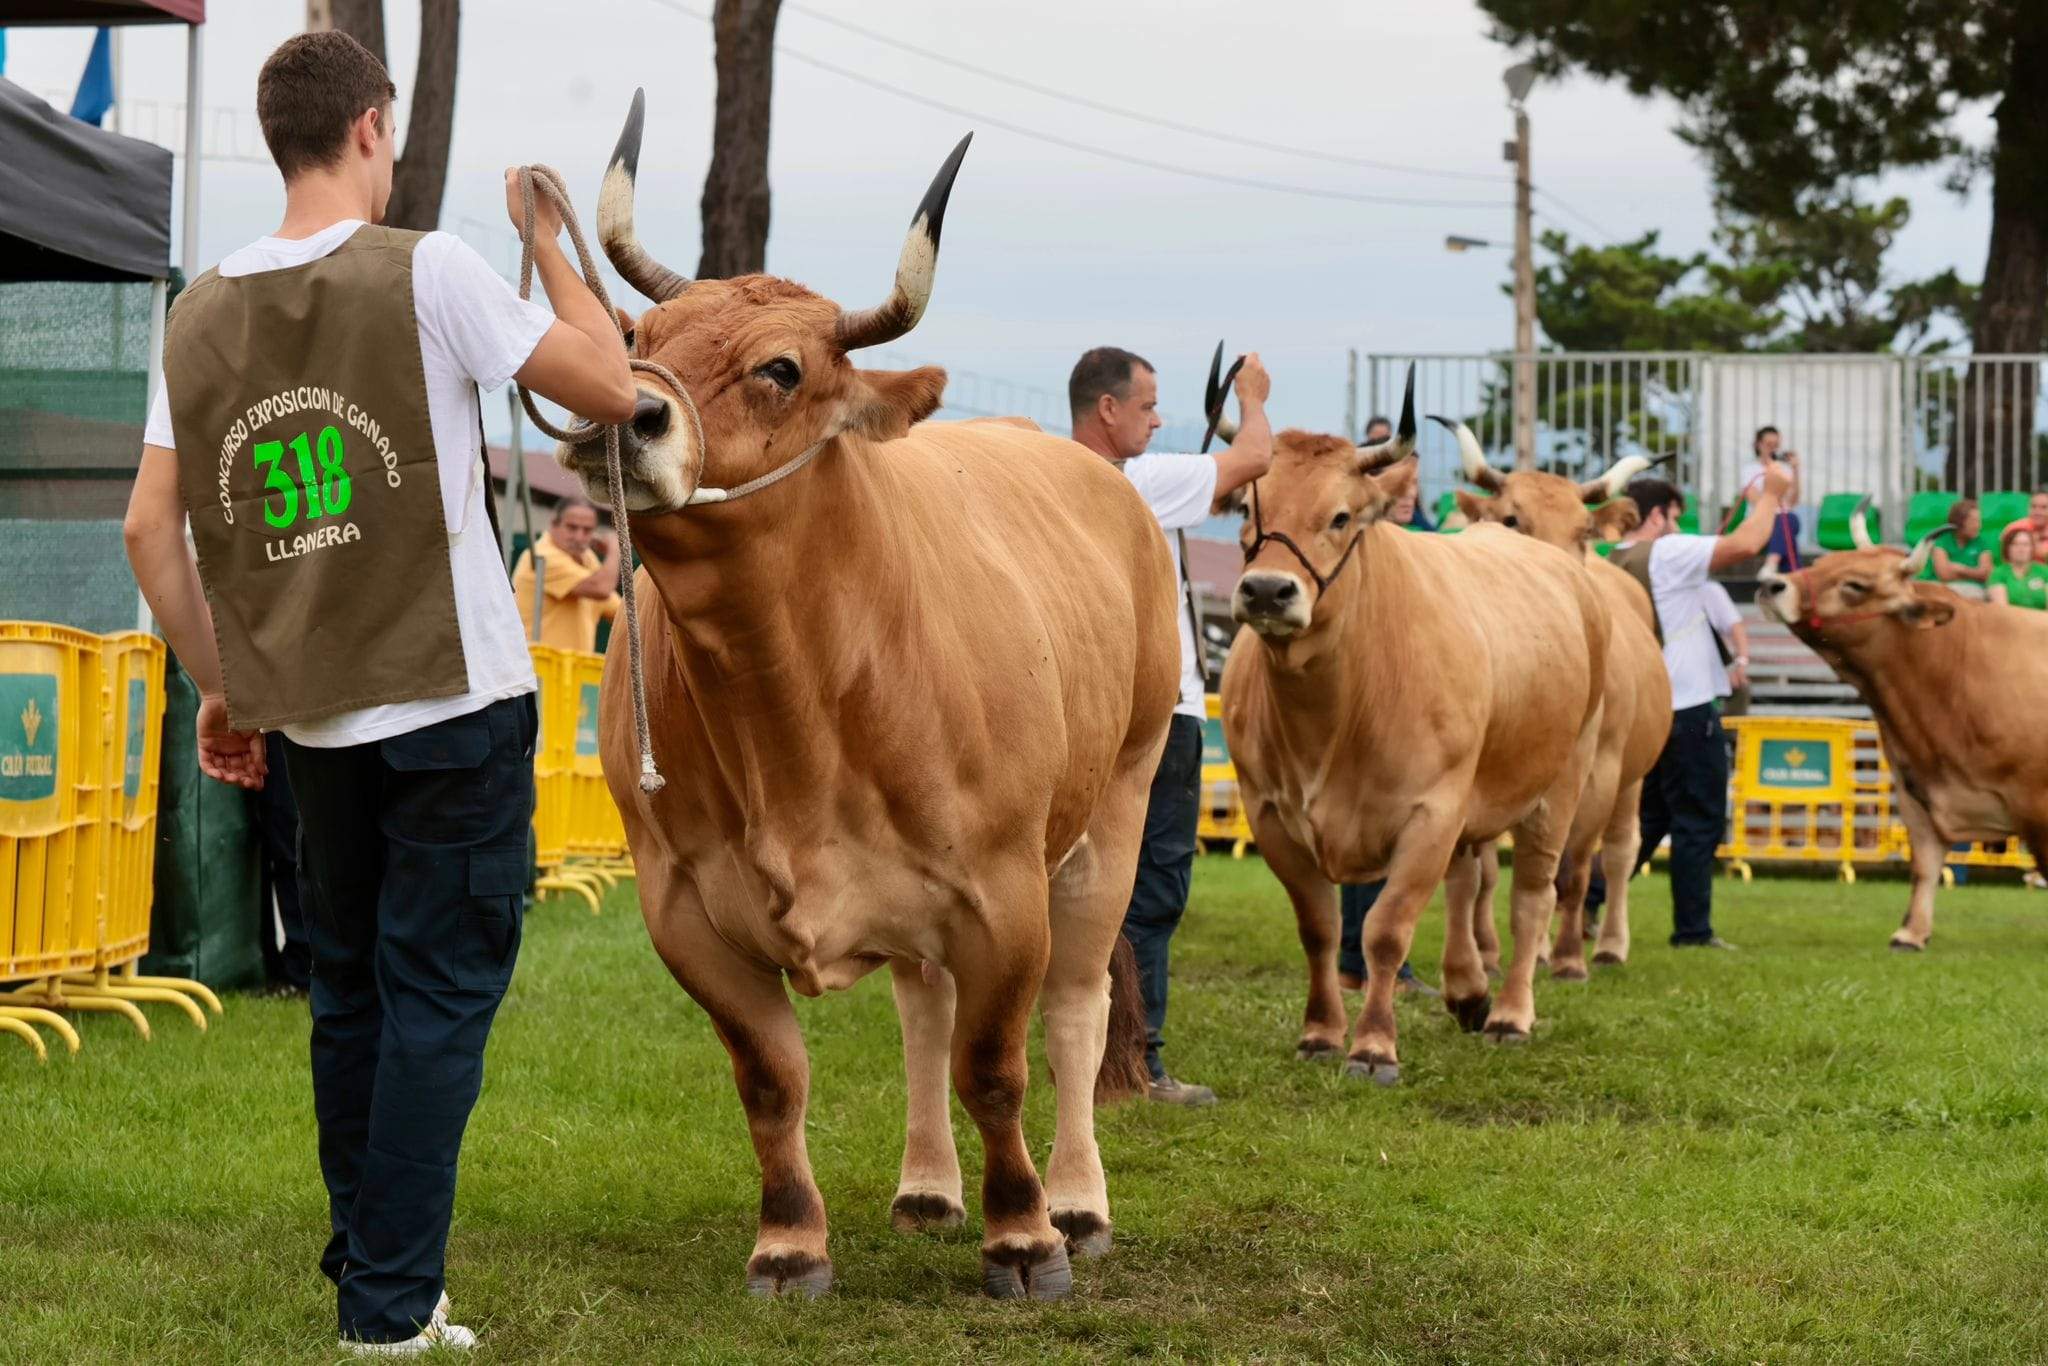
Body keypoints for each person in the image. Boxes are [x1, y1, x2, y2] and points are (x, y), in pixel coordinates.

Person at [122, 32, 634, 1354]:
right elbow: (616, 386)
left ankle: (376, 1263)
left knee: (350, 994)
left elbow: (147, 529)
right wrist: (547, 240)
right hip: (454, 700)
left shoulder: (198, 310)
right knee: (439, 998)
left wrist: (224, 686)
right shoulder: (432, 268)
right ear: (369, 128)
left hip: (313, 722)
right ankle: (391, 1306)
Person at [1069, 345, 1272, 1106]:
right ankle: (1136, 1061)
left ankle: (1084, 1055)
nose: (1158, 420)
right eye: (1148, 406)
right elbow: (1255, 458)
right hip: (1162, 713)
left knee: (1080, 887)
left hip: (1085, 710)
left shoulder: (1056, 476)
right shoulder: (1140, 482)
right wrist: (1252, 396)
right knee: (1150, 890)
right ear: (1108, 409)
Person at [1607, 464, 1792, 950]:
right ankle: (1692, 928)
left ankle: (1583, 904)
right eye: (1674, 515)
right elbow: (1747, 544)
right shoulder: (1668, 552)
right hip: (1686, 707)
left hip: (1641, 712)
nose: (1678, 526)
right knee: (1697, 818)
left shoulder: (1611, 559)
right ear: (1658, 515)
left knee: (1645, 821)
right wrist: (1771, 494)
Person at [510, 497, 621, 650]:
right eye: (572, 527)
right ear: (553, 525)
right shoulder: (542, 555)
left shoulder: (587, 559)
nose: (579, 537)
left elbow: (621, 613)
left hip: (572, 669)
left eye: (587, 530)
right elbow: (601, 589)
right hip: (535, 666)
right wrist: (615, 550)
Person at [1737, 426, 1801, 569]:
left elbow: (1792, 502)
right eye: (1768, 445)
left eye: (1776, 445)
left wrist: (1795, 471)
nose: (1773, 449)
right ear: (1758, 445)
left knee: (1788, 520)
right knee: (1788, 530)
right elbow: (1756, 501)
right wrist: (1771, 478)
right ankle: (1792, 578)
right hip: (1760, 521)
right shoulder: (1749, 470)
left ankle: (1771, 564)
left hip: (1783, 520)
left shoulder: (1784, 470)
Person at [1926, 498, 1989, 596]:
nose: (1978, 525)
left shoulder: (1981, 542)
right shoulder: (1942, 541)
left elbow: (1985, 574)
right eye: (1973, 521)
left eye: (1979, 521)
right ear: (1959, 522)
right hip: (1944, 589)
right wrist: (1974, 574)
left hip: (1974, 591)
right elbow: (1944, 575)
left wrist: (1961, 569)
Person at [1987, 522, 2048, 609]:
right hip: (2011, 621)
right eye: (2015, 544)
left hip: (2041, 621)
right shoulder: (1998, 573)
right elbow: (2002, 610)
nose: (2021, 549)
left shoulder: (2045, 571)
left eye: (2026, 544)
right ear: (2007, 548)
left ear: (2032, 548)